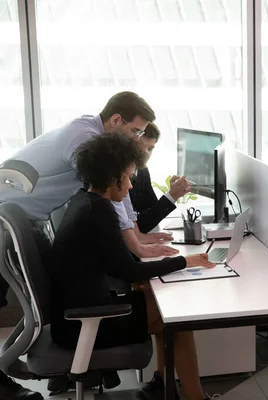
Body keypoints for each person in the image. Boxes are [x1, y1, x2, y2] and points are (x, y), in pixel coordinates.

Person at [0, 91, 172, 399]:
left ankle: (77, 366)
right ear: (116, 120)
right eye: (134, 131)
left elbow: (121, 196)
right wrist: (138, 246)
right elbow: (112, 191)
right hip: (7, 219)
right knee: (36, 301)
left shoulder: (95, 138)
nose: (135, 139)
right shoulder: (84, 137)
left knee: (46, 297)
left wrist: (138, 236)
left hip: (25, 219)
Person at [50, 133, 219, 400]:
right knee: (178, 320)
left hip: (74, 316)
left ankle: (163, 385)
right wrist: (184, 261)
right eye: (128, 177)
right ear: (111, 176)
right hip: (86, 323)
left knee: (159, 303)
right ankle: (194, 397)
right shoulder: (101, 210)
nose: (130, 186)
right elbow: (128, 271)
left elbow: (116, 265)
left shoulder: (84, 201)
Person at [130, 122, 191, 233]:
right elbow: (138, 225)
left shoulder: (142, 170)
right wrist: (172, 196)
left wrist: (171, 194)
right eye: (140, 148)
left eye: (150, 149)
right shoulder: (120, 176)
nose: (146, 154)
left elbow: (151, 210)